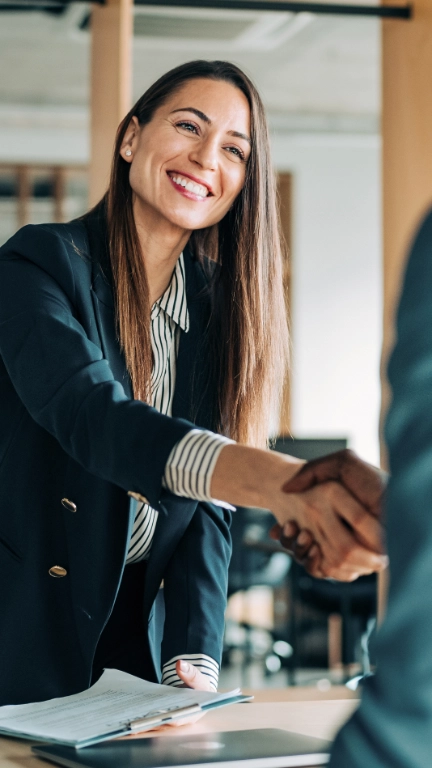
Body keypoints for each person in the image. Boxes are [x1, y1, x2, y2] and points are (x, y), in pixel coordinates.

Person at [0, 60, 386, 707]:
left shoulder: (217, 314)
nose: (207, 157)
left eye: (235, 150)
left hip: (131, 643)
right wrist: (285, 484)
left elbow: (206, 506)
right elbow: (95, 417)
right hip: (22, 622)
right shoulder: (35, 264)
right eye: (189, 126)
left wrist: (192, 661)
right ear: (132, 138)